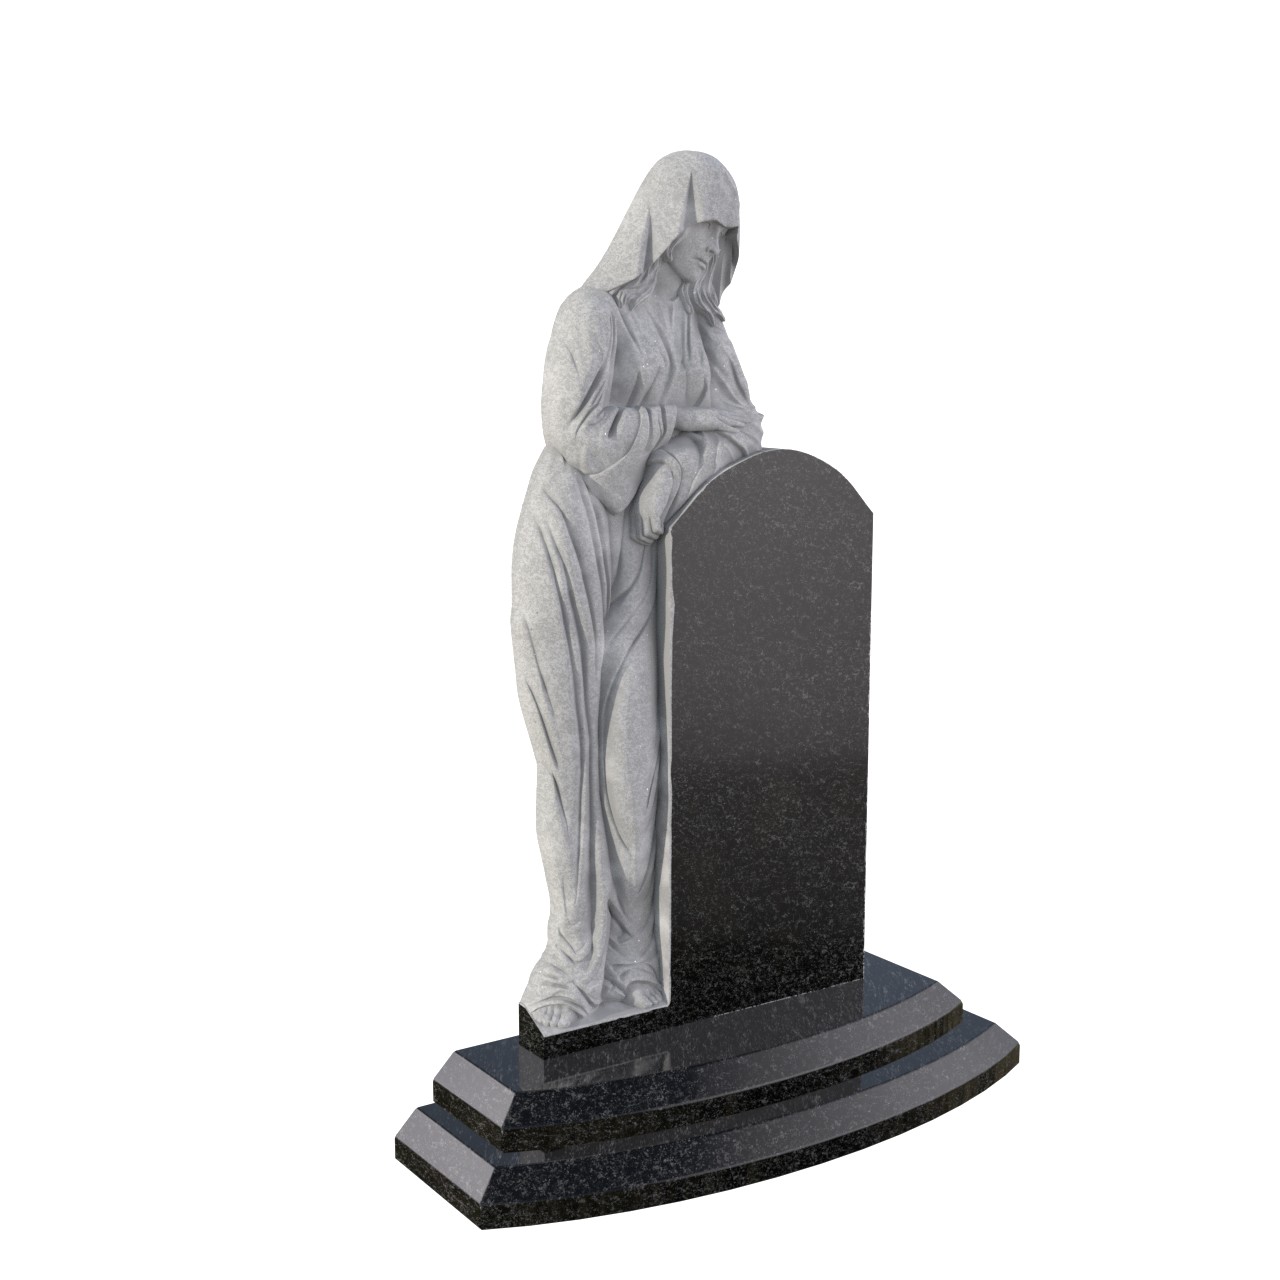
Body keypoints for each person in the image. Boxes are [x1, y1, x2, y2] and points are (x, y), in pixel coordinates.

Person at [511, 152, 762, 1030]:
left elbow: (744, 432)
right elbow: (569, 427)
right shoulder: (592, 315)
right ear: (665, 217)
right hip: (569, 543)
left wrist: (674, 473)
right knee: (570, 761)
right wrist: (681, 423)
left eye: (728, 232)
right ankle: (572, 965)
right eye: (706, 223)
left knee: (633, 770)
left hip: (642, 558)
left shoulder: (700, 330)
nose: (716, 245)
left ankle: (630, 957)